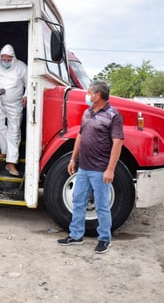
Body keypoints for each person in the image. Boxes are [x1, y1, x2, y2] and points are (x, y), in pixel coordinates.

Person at [57, 80, 124, 254]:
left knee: (102, 206)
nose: (87, 95)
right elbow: (80, 136)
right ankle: (76, 235)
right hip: (84, 168)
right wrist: (73, 159)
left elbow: (117, 143)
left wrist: (110, 169)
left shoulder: (113, 115)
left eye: (89, 92)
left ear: (98, 95)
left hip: (100, 169)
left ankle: (104, 239)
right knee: (78, 201)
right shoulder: (87, 112)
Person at [0, 44, 28, 176]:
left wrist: (26, 96)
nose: (6, 61)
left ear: (13, 58)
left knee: (14, 132)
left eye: (9, 59)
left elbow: (30, 83)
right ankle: (5, 151)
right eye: (4, 58)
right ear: (0, 57)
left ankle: (11, 163)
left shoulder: (21, 67)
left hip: (15, 104)